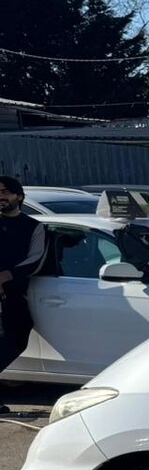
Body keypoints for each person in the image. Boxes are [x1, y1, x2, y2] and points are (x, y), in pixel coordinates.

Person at [0, 176, 46, 413]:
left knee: (16, 338)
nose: (1, 196)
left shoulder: (32, 226)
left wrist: (7, 275)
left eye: (6, 192)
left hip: (13, 293)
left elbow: (36, 259)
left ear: (18, 196)